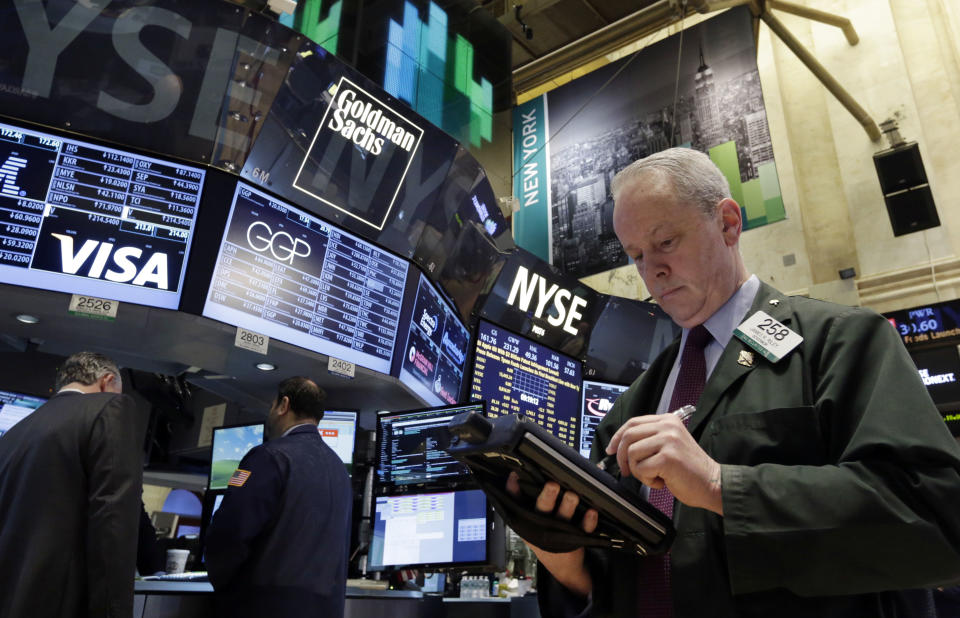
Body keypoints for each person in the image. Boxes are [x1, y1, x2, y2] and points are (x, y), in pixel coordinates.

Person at [522, 148, 960, 617]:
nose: (652, 270)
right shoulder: (635, 404)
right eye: (636, 256)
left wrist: (718, 485)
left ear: (729, 223)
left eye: (666, 241)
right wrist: (563, 558)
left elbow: (933, 519)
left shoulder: (841, 340)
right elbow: (620, 576)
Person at [0, 351, 142, 618]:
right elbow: (112, 520)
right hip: (60, 600)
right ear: (107, 381)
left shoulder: (15, 433)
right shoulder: (109, 408)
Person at [205, 376, 352, 618]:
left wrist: (225, 586)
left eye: (272, 405)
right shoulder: (340, 470)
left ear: (283, 405)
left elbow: (230, 532)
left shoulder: (268, 457)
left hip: (264, 607)